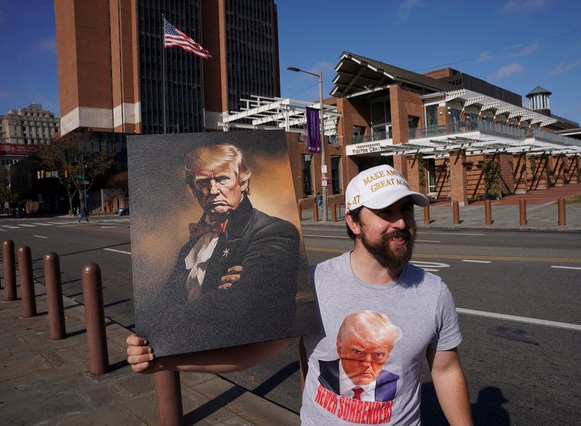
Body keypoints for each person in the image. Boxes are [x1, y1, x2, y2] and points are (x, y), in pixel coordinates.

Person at [127, 164, 472, 425]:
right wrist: (162, 359)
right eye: (386, 213)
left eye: (406, 210)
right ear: (353, 222)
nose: (401, 223)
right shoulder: (314, 284)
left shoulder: (433, 292)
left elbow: (445, 371)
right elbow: (252, 351)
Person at [137, 143, 302, 356]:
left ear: (243, 182)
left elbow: (244, 305)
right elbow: (169, 297)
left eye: (223, 179)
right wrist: (145, 337)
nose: (213, 190)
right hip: (187, 350)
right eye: (203, 182)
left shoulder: (275, 230)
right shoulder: (191, 245)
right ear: (192, 189)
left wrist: (164, 326)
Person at [318, 310, 401, 402]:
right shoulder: (321, 370)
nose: (366, 363)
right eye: (358, 352)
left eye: (378, 354)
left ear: (387, 355)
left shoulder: (394, 382)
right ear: (339, 348)